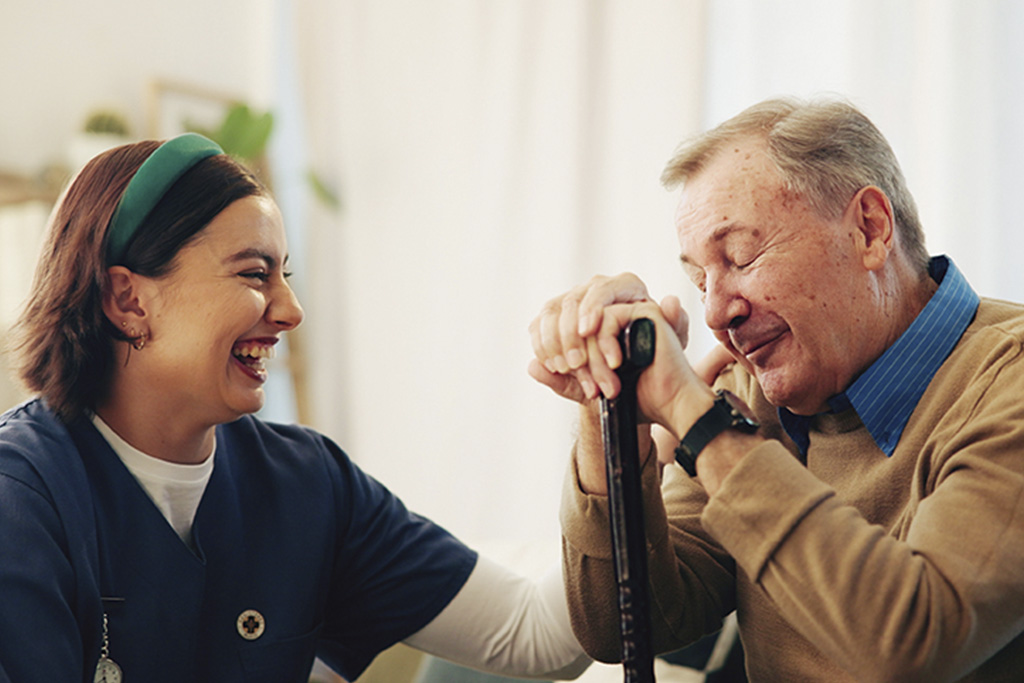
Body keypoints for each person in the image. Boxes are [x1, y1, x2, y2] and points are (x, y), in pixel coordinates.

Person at [0, 134, 589, 683]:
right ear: (127, 299)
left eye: (285, 275)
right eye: (255, 274)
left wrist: (617, 432)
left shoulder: (306, 482)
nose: (290, 310)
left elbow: (534, 634)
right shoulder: (22, 497)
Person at [528, 97, 1024, 681]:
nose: (714, 312)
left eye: (740, 256)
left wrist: (699, 420)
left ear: (869, 229)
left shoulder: (1006, 381)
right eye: (698, 279)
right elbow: (619, 624)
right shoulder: (754, 395)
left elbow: (914, 638)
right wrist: (608, 403)